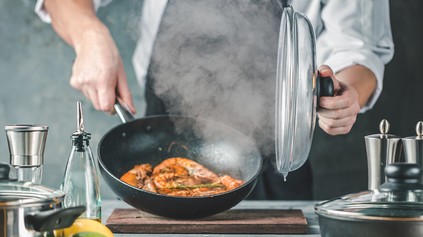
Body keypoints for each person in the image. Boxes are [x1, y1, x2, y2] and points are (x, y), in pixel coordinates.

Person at [35, 0, 394, 199]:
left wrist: (346, 94)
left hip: (273, 165)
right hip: (161, 136)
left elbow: (360, 49)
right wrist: (90, 36)